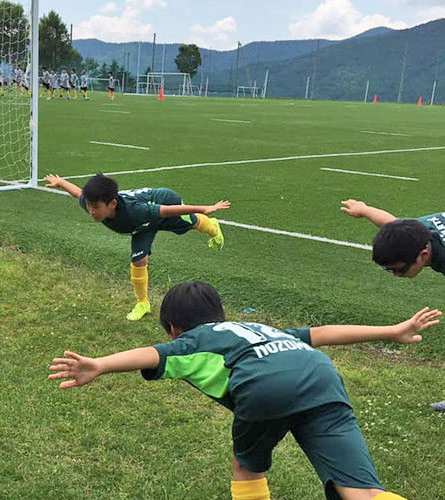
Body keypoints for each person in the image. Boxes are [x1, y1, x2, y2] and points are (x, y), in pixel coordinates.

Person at [49, 280, 439, 500]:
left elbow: (150, 355)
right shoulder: (257, 328)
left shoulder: (196, 338)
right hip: (320, 376)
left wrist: (99, 364)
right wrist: (392, 331)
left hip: (265, 388)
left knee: (246, 467)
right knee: (359, 491)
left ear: (174, 328)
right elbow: (321, 334)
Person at [44, 173, 230, 320]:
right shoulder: (94, 204)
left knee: (194, 223)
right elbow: (78, 193)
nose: (91, 211)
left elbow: (165, 210)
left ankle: (213, 227)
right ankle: (143, 304)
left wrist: (202, 208)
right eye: (90, 206)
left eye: (96, 207)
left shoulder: (135, 211)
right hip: (141, 227)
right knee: (139, 260)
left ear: (112, 204)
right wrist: (61, 182)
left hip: (163, 202)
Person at [341, 199, 445, 412]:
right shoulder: (413, 233)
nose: (397, 276)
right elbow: (389, 222)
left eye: (399, 269)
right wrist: (364, 210)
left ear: (423, 255)